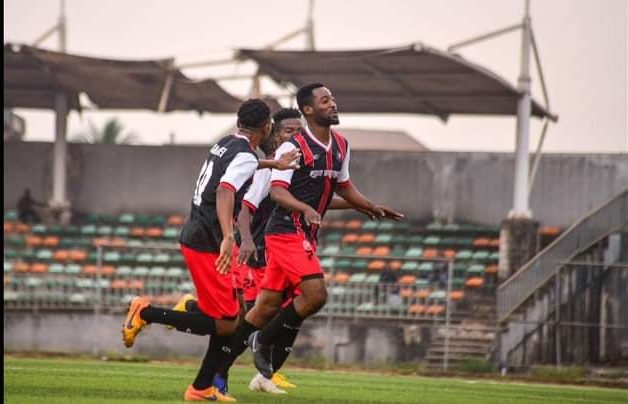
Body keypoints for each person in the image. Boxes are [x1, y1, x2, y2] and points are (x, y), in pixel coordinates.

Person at [218, 83, 404, 392]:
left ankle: (217, 370)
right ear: (308, 109)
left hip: (304, 234)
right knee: (316, 295)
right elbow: (277, 191)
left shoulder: (342, 145)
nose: (333, 104)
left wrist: (370, 206)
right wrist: (303, 208)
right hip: (285, 232)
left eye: (332, 98)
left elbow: (343, 187)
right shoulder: (293, 148)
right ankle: (263, 341)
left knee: (263, 310)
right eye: (325, 100)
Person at [120, 99, 297, 402]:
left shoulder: (227, 143)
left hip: (199, 234)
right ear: (267, 127)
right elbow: (226, 189)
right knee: (228, 323)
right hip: (207, 240)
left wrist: (273, 164)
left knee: (232, 318)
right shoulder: (244, 154)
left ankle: (202, 387)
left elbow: (240, 168)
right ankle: (146, 312)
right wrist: (229, 237)